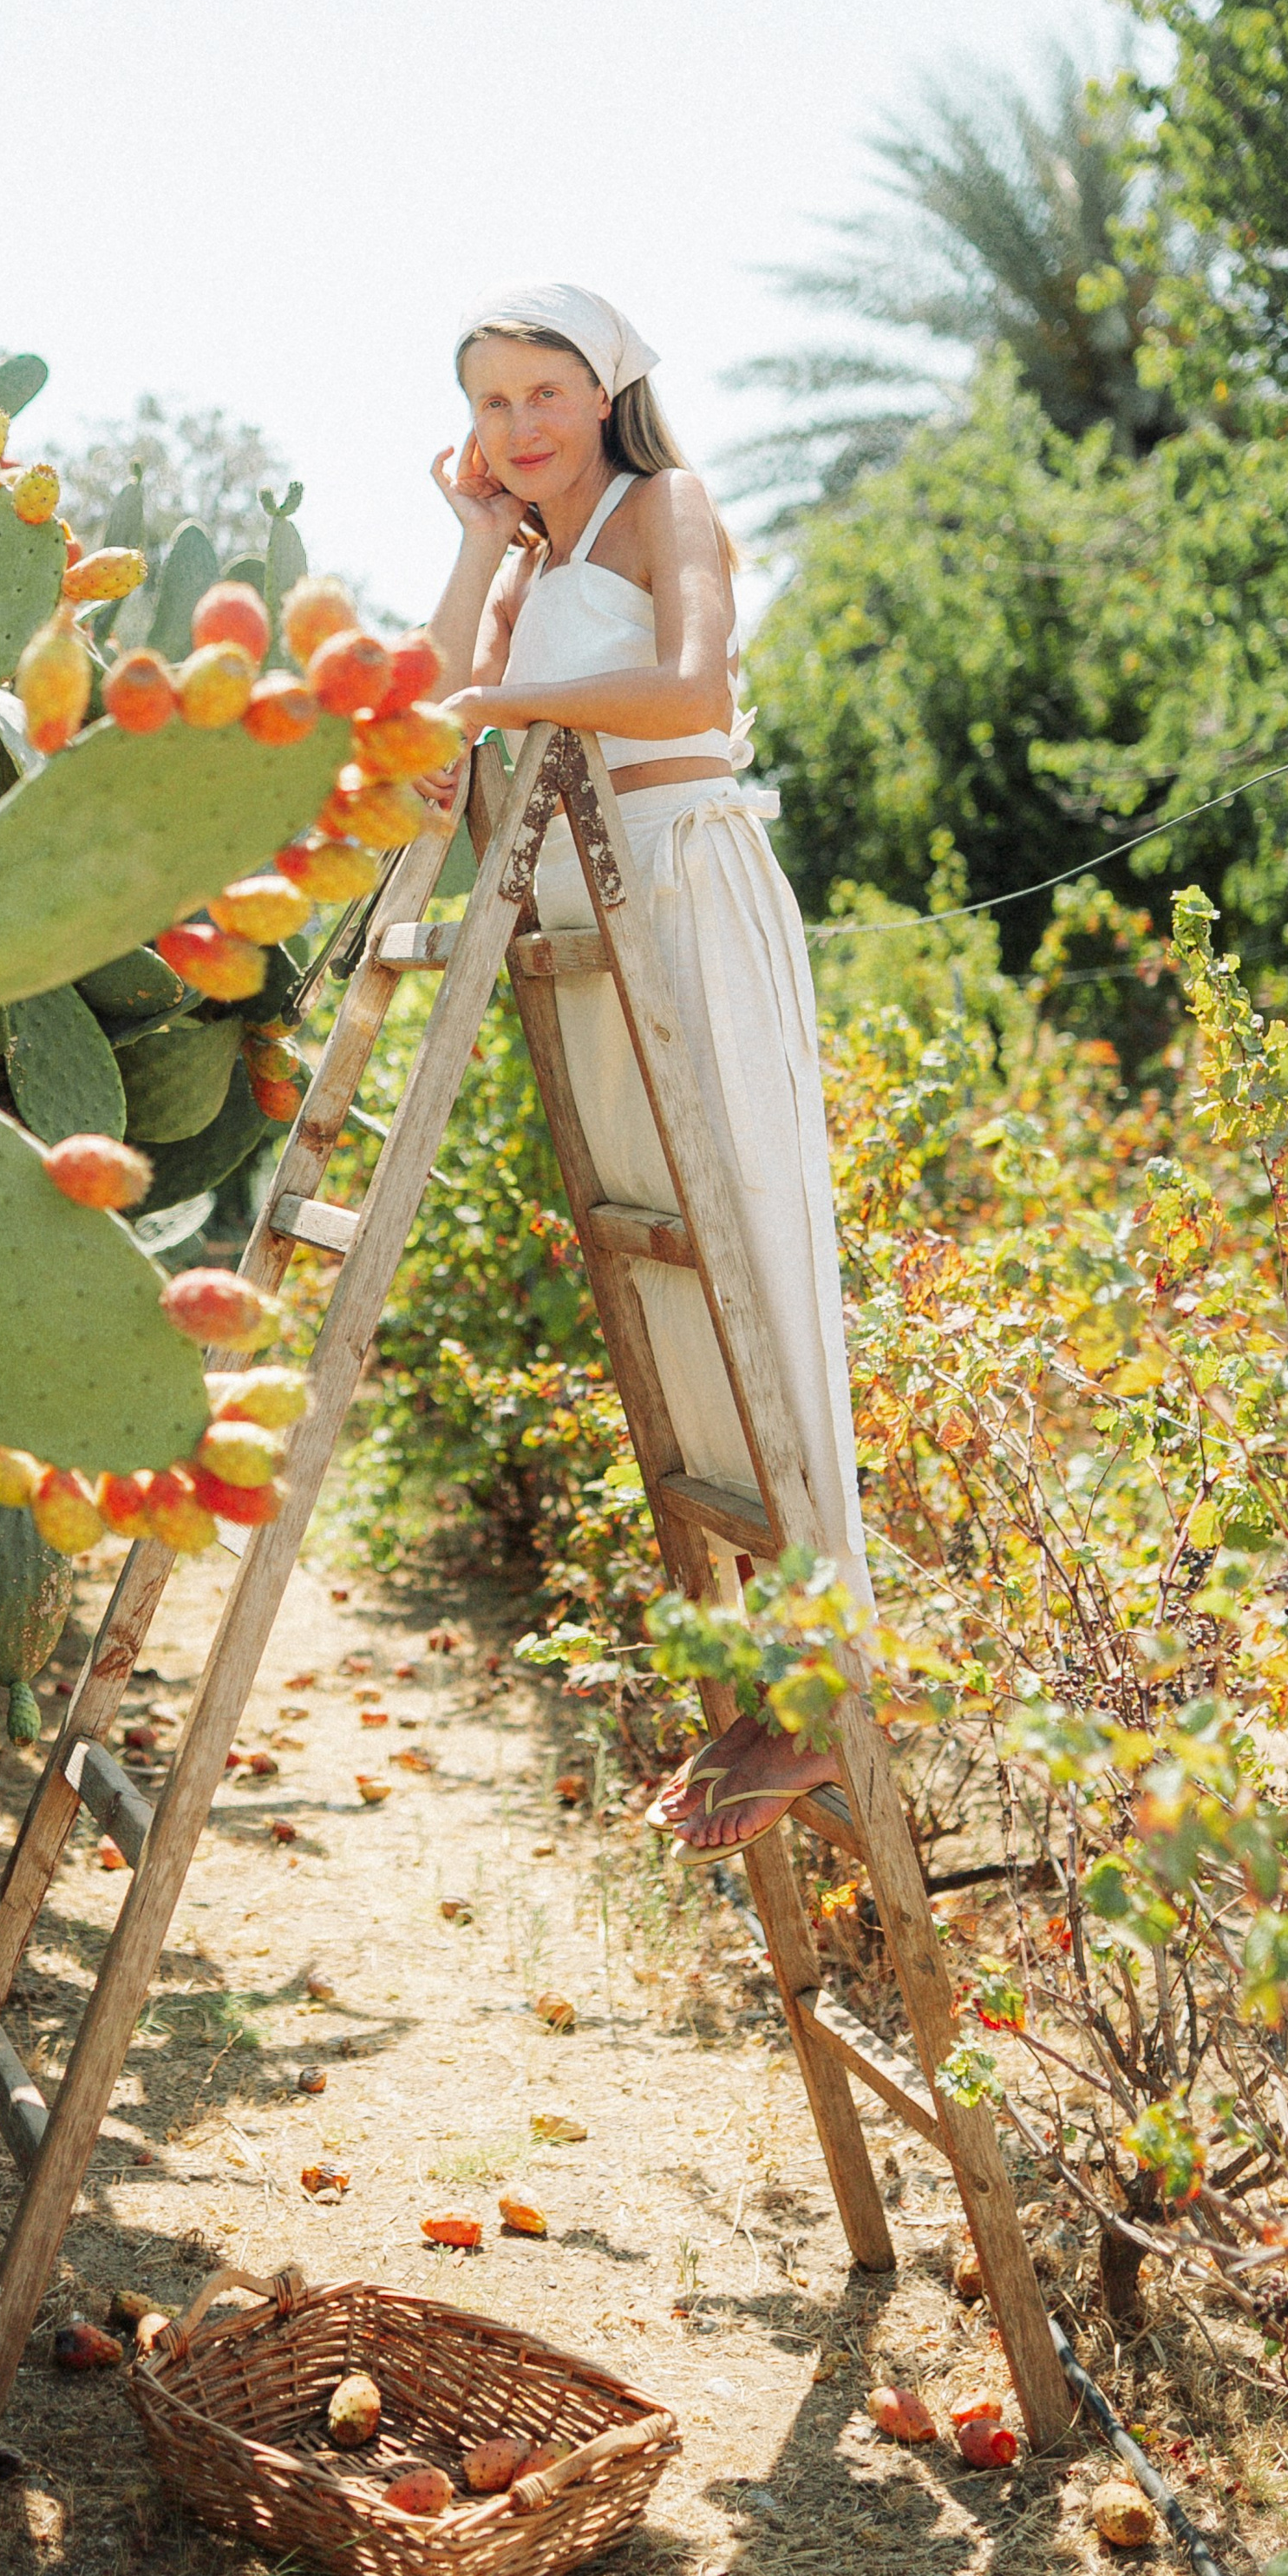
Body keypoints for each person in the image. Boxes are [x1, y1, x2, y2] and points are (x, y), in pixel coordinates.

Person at [424, 281, 863, 1862]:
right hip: (578, 933)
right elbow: (429, 728)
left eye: (546, 393)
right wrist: (476, 553)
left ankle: (828, 1685)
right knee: (671, 1285)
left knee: (752, 1252)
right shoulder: (523, 563)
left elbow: (689, 691)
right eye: (491, 403)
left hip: (680, 888)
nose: (521, 428)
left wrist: (503, 694)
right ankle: (771, 1676)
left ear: (605, 395)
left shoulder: (664, 502)